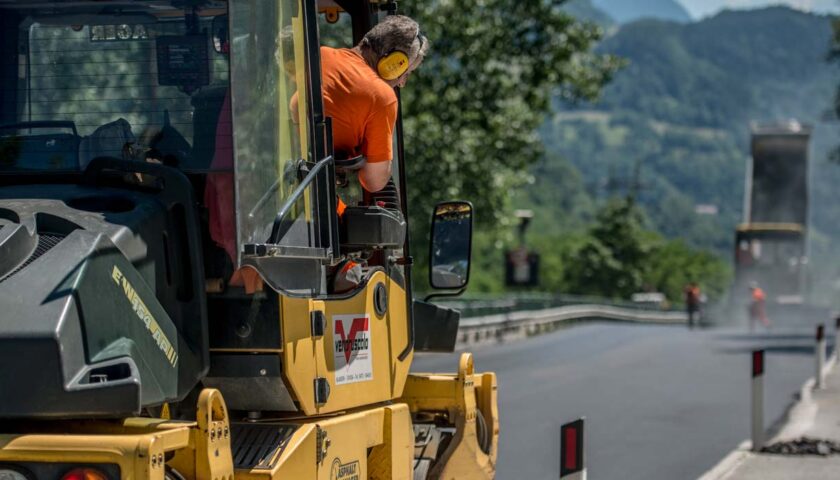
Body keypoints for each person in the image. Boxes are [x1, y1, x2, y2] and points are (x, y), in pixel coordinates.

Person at [319, 15, 428, 193]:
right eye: (406, 72)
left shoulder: (321, 55)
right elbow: (373, 182)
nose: (402, 83)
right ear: (393, 64)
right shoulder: (382, 97)